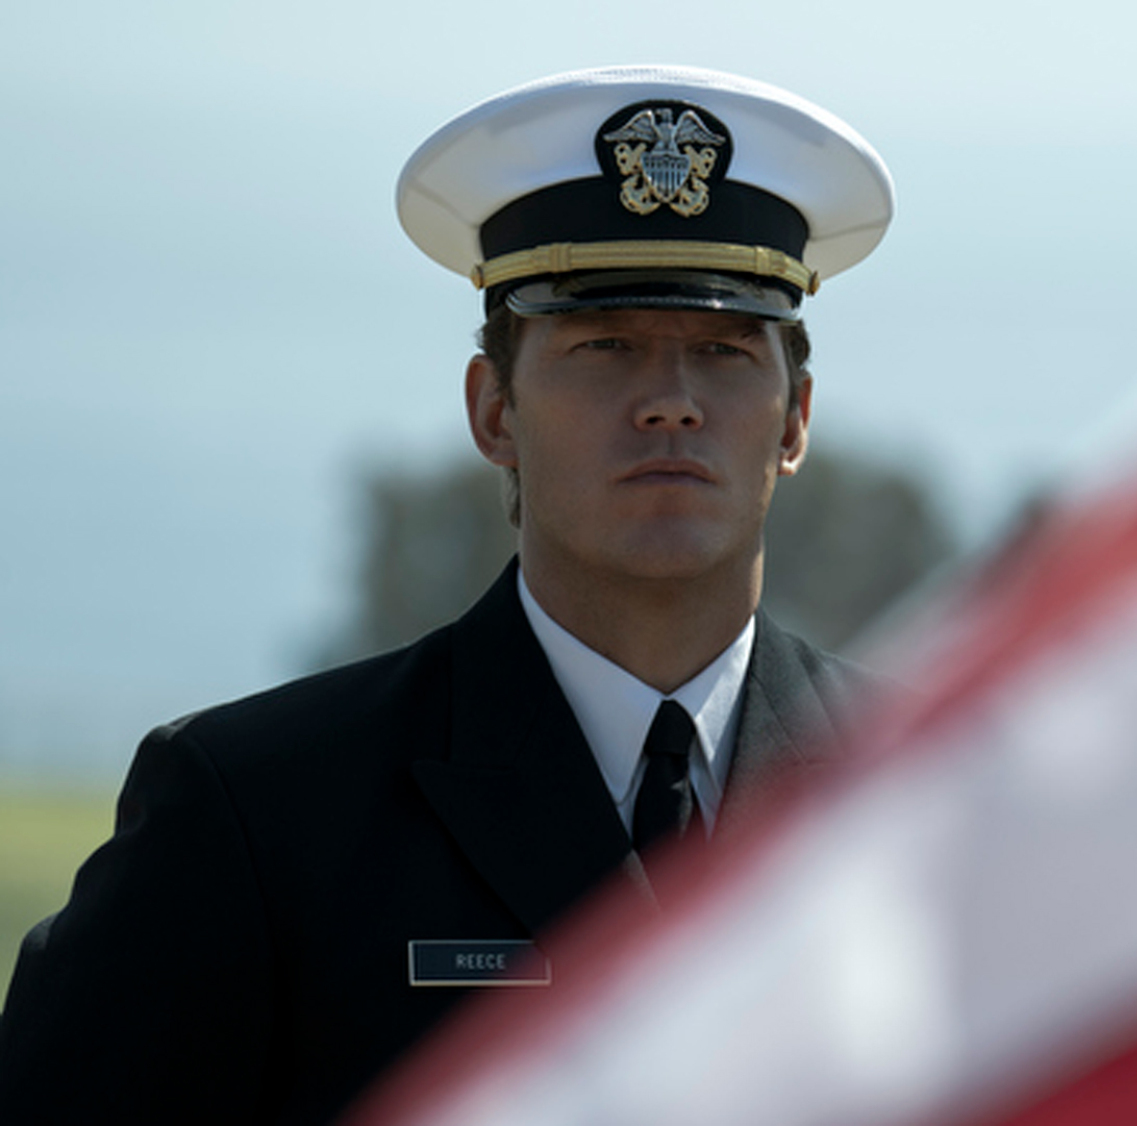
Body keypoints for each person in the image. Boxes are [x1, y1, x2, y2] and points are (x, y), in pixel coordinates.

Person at [0, 65, 894, 1124]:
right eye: (603, 347)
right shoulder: (253, 814)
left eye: (722, 350)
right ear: (493, 411)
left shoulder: (920, 789)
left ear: (793, 419)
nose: (669, 403)